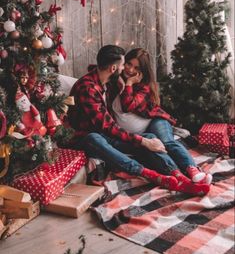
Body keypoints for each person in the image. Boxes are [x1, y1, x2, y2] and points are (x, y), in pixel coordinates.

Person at [68, 45, 209, 195]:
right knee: (95, 138)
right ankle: (152, 175)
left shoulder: (106, 81)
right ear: (114, 68)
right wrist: (143, 142)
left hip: (126, 128)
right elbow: (108, 127)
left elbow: (103, 70)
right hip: (86, 137)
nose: (126, 69)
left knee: (151, 137)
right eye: (124, 65)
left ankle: (179, 177)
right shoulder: (88, 89)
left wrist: (146, 140)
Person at [112, 47, 212, 194]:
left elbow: (128, 105)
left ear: (142, 71)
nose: (130, 69)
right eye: (128, 64)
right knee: (156, 148)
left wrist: (130, 83)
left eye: (136, 67)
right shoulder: (115, 80)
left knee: (167, 142)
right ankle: (178, 175)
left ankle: (193, 170)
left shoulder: (142, 87)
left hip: (154, 121)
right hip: (142, 132)